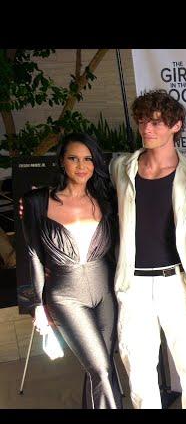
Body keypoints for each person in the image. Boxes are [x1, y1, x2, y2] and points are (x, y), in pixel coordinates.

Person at [110, 89, 186, 409]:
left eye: (156, 122)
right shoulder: (122, 169)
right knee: (139, 371)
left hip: (177, 283)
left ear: (176, 125)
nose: (147, 129)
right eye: (142, 121)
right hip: (134, 283)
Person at [21, 133, 122, 409]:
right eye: (74, 158)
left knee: (103, 367)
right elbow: (33, 256)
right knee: (100, 368)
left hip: (105, 293)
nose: (82, 165)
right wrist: (39, 306)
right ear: (62, 162)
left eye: (88, 159)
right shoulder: (36, 202)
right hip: (66, 297)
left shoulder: (106, 199)